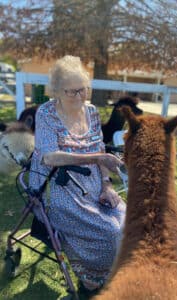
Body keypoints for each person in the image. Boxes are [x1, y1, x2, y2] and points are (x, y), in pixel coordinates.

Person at [29, 55, 126, 293]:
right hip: (59, 186)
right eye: (72, 92)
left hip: (93, 182)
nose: (80, 97)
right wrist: (97, 158)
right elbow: (50, 157)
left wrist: (107, 185)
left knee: (127, 220)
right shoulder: (47, 113)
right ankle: (90, 275)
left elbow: (99, 148)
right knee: (109, 231)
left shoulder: (91, 112)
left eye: (83, 90)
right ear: (57, 91)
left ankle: (108, 271)